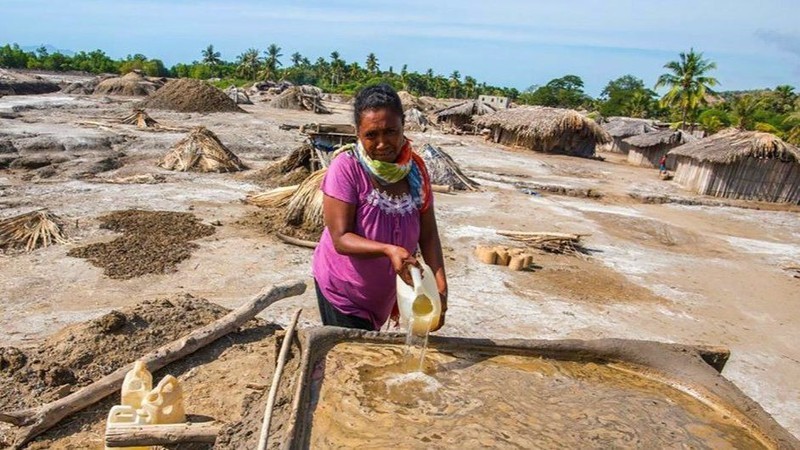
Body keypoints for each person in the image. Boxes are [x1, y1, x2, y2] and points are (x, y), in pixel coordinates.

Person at [311, 84, 448, 332]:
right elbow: (341, 239)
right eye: (371, 135)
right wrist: (388, 249)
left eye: (390, 132)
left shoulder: (416, 171)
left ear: (403, 126)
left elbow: (429, 235)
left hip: (385, 295)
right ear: (358, 133)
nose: (382, 143)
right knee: (353, 353)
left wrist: (441, 288)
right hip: (345, 291)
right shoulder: (347, 168)